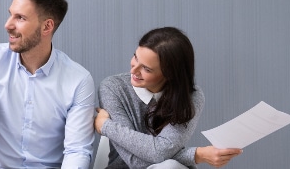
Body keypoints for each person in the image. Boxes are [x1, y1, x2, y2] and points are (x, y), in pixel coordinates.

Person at [0, 0, 96, 169]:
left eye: (20, 18)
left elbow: (77, 151)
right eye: (10, 15)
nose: (8, 25)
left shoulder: (79, 80)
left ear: (47, 27)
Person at [94, 27, 243, 169]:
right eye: (135, 57)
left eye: (146, 69)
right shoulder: (112, 88)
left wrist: (106, 126)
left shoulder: (191, 96)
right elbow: (136, 163)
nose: (134, 69)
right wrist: (197, 155)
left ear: (169, 74)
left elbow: (160, 152)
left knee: (168, 167)